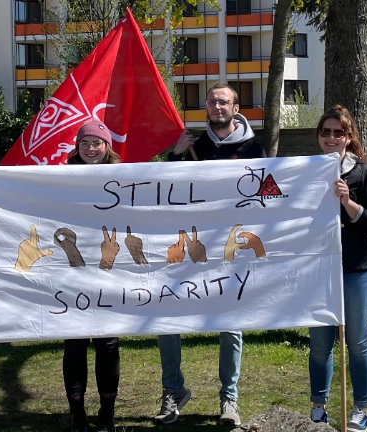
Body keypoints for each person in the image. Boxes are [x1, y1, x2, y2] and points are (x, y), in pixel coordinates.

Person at [156, 83, 266, 426]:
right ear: (205, 107)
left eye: (224, 102)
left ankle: (229, 399)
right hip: (189, 245)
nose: (218, 107)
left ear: (235, 108)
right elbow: (164, 190)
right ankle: (173, 391)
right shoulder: (194, 145)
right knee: (166, 317)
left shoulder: (254, 148)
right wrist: (176, 155)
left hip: (231, 249)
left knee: (230, 323)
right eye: (212, 101)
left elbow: (267, 194)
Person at [308, 105, 367, 432]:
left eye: (338, 132)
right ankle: (318, 408)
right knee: (319, 344)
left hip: (357, 270)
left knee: (357, 342)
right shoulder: (305, 172)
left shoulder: (364, 173)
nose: (331, 137)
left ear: (348, 136)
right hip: (318, 271)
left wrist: (348, 203)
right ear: (318, 136)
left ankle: (361, 410)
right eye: (325, 131)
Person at [62, 119, 122, 432]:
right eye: (84, 143)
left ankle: (107, 415)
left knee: (107, 344)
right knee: (75, 344)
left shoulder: (124, 178)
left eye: (96, 143)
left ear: (107, 146)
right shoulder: (63, 177)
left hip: (109, 270)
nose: (90, 148)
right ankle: (78, 416)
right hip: (73, 271)